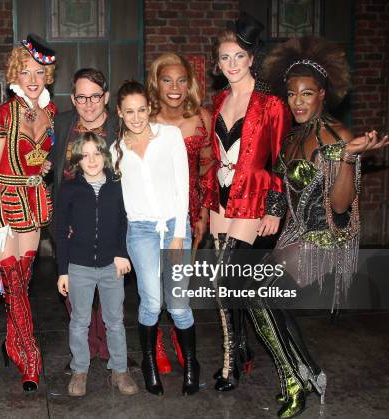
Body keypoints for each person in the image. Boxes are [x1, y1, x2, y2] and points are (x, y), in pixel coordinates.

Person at [245, 35, 389, 418]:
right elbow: (281, 189)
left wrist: (344, 157)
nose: (299, 101)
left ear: (323, 94)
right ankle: (310, 373)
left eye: (307, 93)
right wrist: (267, 214)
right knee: (265, 299)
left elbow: (341, 205)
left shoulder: (338, 136)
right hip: (294, 237)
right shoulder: (293, 137)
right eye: (292, 94)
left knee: (261, 298)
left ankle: (294, 381)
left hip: (325, 240)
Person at [201, 12, 290, 391]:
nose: (232, 64)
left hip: (254, 195)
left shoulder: (271, 104)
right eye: (225, 57)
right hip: (220, 197)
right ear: (217, 64)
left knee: (226, 278)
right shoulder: (219, 98)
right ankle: (237, 354)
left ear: (252, 58)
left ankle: (232, 363)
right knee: (227, 286)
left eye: (239, 56)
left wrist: (276, 207)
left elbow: (283, 157)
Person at [0, 33, 57, 392]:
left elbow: (38, 157)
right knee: (13, 283)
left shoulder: (49, 112)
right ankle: (31, 357)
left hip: (34, 202)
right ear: (15, 75)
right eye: (26, 72)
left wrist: (43, 167)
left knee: (21, 283)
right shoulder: (0, 115)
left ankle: (12, 342)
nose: (34, 79)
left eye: (40, 72)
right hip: (5, 207)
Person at [111, 80, 200, 396]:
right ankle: (149, 362)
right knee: (151, 301)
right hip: (141, 233)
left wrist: (179, 234)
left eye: (142, 110)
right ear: (120, 113)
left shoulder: (171, 136)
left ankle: (191, 363)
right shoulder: (115, 151)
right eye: (129, 111)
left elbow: (183, 185)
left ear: (150, 108)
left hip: (175, 226)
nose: (136, 117)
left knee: (177, 305)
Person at [55, 132, 138, 397]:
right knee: (79, 321)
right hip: (78, 266)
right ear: (78, 160)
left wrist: (122, 252)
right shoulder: (69, 189)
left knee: (114, 320)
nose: (91, 160)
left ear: (106, 156)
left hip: (111, 265)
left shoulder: (118, 186)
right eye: (85, 155)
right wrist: (62, 271)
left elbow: (126, 222)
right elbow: (60, 231)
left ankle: (120, 370)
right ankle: (80, 370)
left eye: (97, 154)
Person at [146, 52, 213, 373]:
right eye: (167, 79)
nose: (174, 86)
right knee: (154, 281)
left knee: (179, 283)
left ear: (190, 84)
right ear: (156, 84)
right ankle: (156, 341)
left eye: (181, 80)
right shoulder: (144, 119)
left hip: (190, 211)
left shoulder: (202, 119)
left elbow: (207, 167)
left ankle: (178, 336)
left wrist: (202, 215)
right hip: (154, 212)